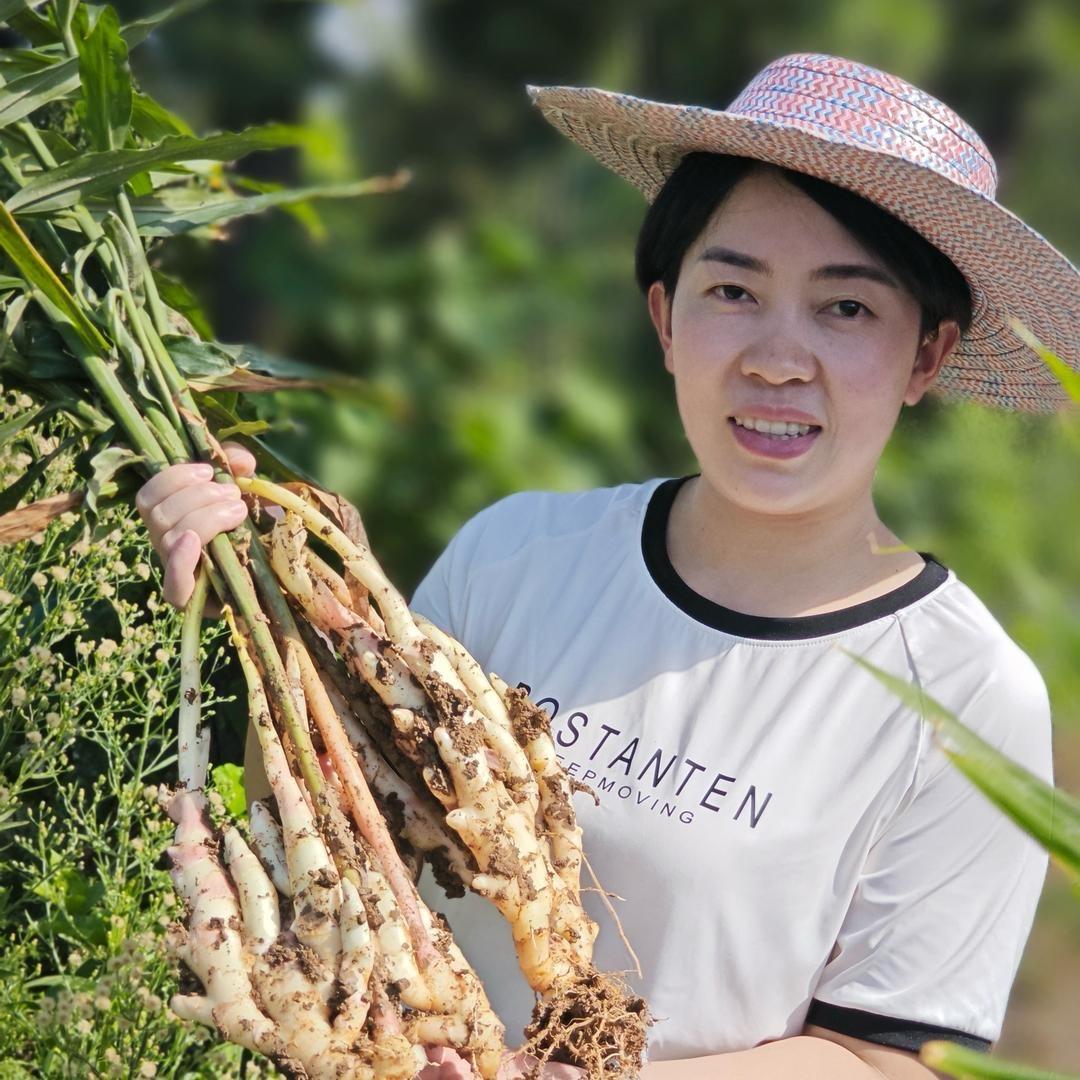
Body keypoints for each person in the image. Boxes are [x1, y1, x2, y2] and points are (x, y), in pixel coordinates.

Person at [137, 53, 1076, 1080]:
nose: (776, 356)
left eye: (846, 308)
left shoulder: (965, 694)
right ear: (667, 319)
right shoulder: (519, 552)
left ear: (927, 357)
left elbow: (892, 1059)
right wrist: (246, 603)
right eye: (734, 289)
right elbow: (343, 829)